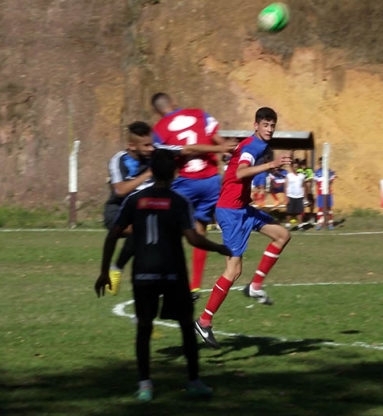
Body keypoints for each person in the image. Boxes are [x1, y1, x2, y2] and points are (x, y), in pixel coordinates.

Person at [94, 149, 232, 402]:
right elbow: (192, 238)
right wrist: (219, 247)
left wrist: (106, 270)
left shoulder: (135, 201)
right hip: (173, 274)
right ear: (175, 173)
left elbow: (114, 234)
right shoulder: (180, 202)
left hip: (143, 274)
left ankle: (145, 385)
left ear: (152, 171)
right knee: (185, 328)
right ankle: (194, 382)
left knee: (144, 328)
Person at [194, 107, 292, 349]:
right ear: (256, 125)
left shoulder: (255, 144)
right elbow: (239, 172)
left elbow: (238, 171)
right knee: (233, 270)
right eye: (266, 125)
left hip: (242, 208)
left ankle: (255, 286)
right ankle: (204, 321)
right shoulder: (253, 146)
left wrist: (271, 167)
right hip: (230, 212)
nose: (270, 129)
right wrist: (270, 165)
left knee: (282, 235)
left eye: (272, 125)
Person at [151, 93, 237, 302]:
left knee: (168, 234)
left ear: (158, 111)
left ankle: (165, 282)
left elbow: (173, 155)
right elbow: (221, 142)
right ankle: (194, 287)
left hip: (185, 183)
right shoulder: (199, 114)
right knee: (199, 231)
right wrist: (225, 150)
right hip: (210, 182)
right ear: (173, 103)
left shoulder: (159, 130)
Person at [103, 121, 155, 295]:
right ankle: (117, 268)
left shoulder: (154, 157)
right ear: (132, 145)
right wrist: (148, 174)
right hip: (117, 211)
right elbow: (120, 190)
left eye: (152, 144)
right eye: (146, 145)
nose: (151, 148)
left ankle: (121, 271)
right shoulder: (119, 160)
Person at [284, 158, 308, 229]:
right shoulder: (289, 176)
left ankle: (300, 225)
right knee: (289, 211)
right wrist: (286, 197)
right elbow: (285, 187)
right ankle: (288, 224)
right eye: (294, 167)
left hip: (299, 196)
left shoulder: (301, 176)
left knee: (299, 212)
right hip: (291, 196)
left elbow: (304, 186)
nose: (295, 168)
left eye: (297, 167)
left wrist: (305, 197)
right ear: (292, 167)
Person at [314, 156, 337, 230]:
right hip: (320, 193)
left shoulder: (329, 171)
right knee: (320, 208)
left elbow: (331, 181)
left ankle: (330, 223)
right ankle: (320, 223)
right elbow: (316, 182)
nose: (321, 164)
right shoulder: (317, 172)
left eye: (323, 163)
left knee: (328, 208)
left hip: (328, 193)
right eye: (320, 163)